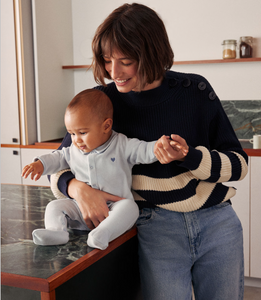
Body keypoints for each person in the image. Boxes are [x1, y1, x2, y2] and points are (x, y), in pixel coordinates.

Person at [50, 3, 248, 300]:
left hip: (217, 223)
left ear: (151, 53)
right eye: (106, 60)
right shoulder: (100, 103)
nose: (113, 72)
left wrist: (189, 157)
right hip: (155, 228)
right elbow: (59, 165)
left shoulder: (195, 91)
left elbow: (239, 165)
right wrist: (78, 189)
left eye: (125, 61)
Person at [22, 89, 176, 250]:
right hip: (80, 207)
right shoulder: (73, 150)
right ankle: (56, 232)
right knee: (54, 206)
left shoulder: (122, 145)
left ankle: (103, 233)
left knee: (130, 208)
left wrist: (160, 146)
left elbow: (144, 150)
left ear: (106, 126)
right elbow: (57, 157)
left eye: (82, 132)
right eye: (71, 134)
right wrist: (39, 164)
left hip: (114, 209)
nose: (76, 140)